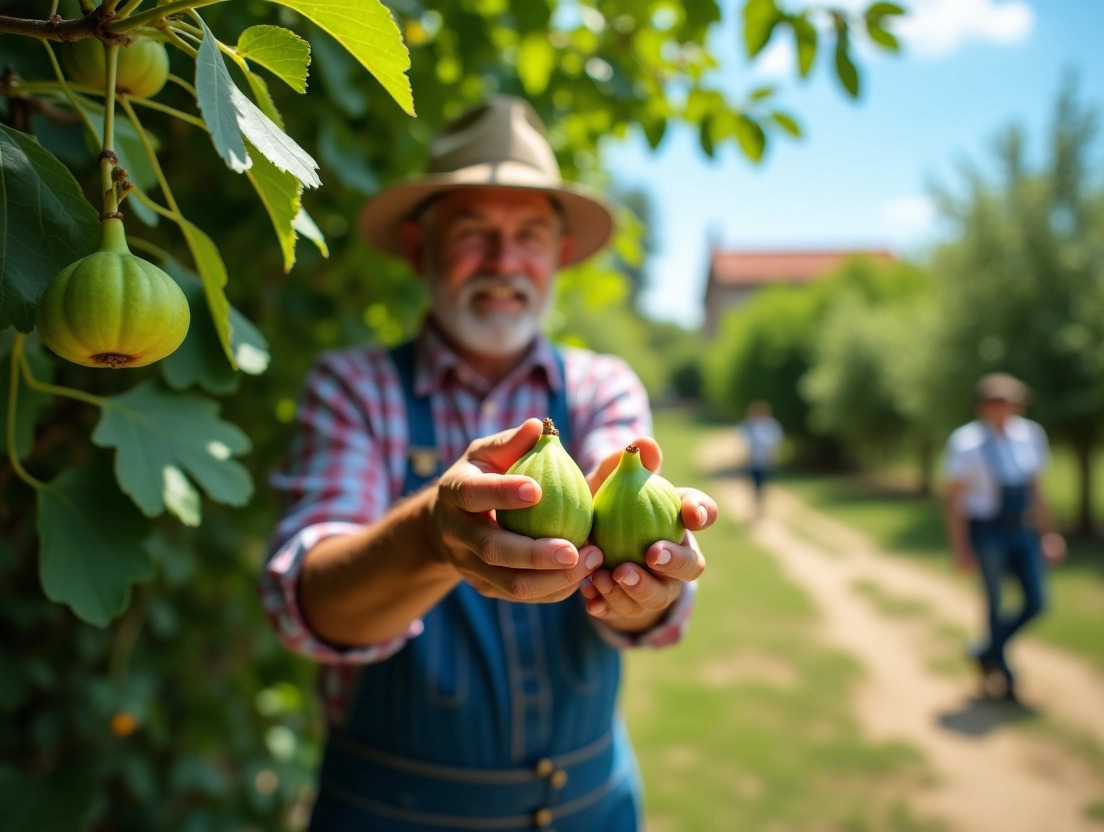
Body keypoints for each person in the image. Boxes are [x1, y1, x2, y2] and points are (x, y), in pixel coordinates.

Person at [259, 96, 717, 831]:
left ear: (560, 254)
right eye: (475, 232)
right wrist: (429, 537)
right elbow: (305, 605)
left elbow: (635, 537)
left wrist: (650, 584)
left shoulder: (603, 387)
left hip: (590, 808)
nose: (505, 262)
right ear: (419, 247)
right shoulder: (354, 386)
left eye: (529, 235)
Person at [942, 372, 1066, 702]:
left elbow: (1036, 490)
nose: (1006, 408)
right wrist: (961, 546)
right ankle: (1005, 675)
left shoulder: (1030, 436)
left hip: (1021, 528)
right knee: (994, 602)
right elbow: (955, 499)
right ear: (983, 405)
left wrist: (1049, 534)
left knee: (1037, 601)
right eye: (998, 401)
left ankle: (986, 650)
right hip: (987, 530)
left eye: (1012, 401)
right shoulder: (965, 442)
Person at [738, 400, 783, 520]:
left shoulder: (771, 426)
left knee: (762, 487)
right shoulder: (748, 425)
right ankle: (753, 509)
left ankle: (760, 509)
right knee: (752, 487)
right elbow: (743, 444)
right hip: (751, 463)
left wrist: (773, 459)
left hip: (765, 463)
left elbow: (774, 445)